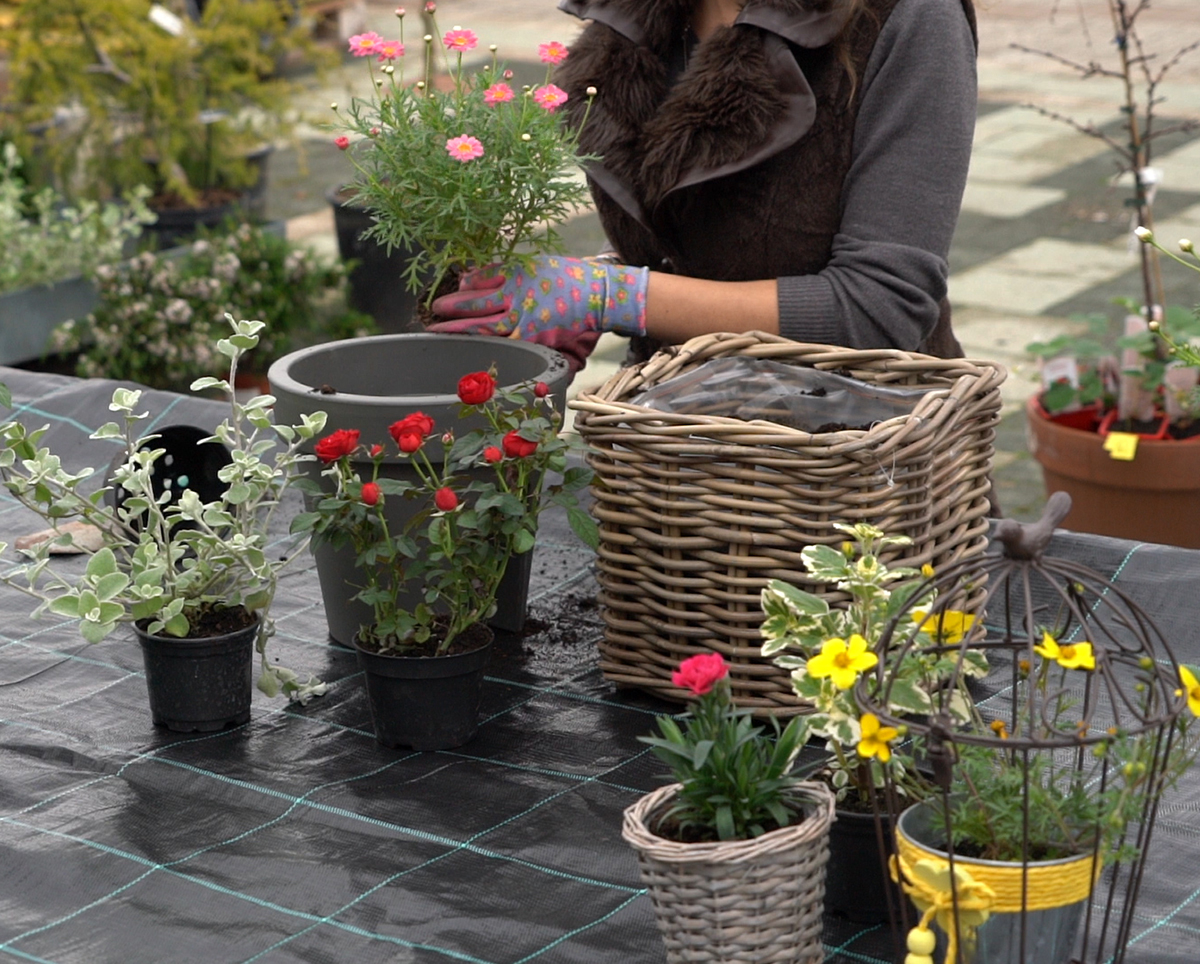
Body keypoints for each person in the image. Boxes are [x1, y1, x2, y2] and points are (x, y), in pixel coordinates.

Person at [429, 0, 978, 373]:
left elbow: (882, 307)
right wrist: (600, 284)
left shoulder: (907, 17)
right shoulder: (639, 17)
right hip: (676, 469)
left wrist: (610, 298)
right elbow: (696, 238)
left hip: (853, 472)